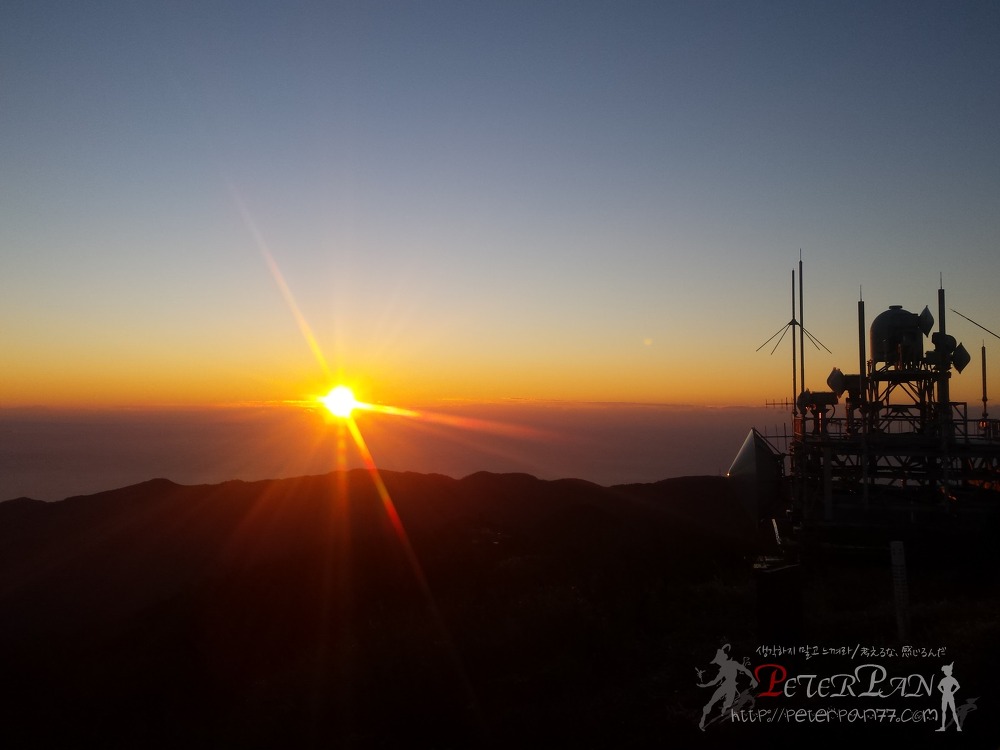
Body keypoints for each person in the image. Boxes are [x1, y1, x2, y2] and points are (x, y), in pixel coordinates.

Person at [698, 644, 758, 730]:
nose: (718, 662)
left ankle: (720, 717)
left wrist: (753, 679)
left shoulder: (733, 664)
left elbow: (745, 670)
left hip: (731, 687)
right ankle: (703, 720)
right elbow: (715, 681)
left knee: (726, 704)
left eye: (718, 660)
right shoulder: (723, 669)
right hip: (726, 686)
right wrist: (704, 685)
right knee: (713, 702)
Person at [935, 662, 961, 732]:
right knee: (947, 711)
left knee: (947, 711)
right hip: (947, 695)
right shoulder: (946, 679)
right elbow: (938, 687)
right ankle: (955, 727)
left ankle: (957, 727)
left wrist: (949, 692)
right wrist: (951, 692)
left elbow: (939, 687)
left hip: (947, 695)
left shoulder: (949, 679)